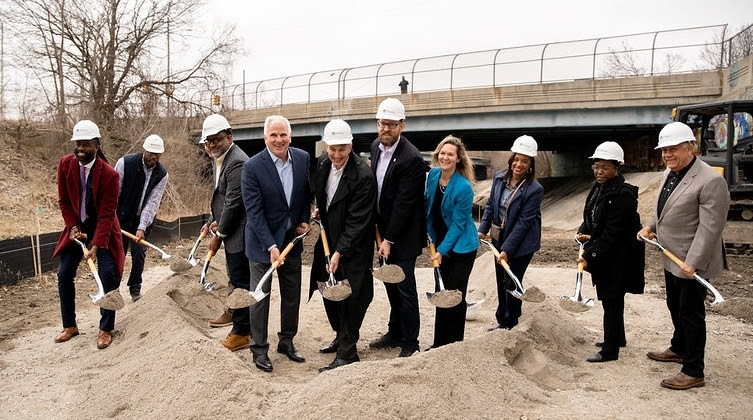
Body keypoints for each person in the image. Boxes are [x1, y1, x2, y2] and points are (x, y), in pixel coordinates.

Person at [639, 122, 730, 390]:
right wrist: (651, 226)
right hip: (671, 256)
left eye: (673, 149)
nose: (667, 155)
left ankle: (693, 369)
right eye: (664, 150)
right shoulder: (672, 172)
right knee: (674, 305)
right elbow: (664, 208)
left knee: (691, 314)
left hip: (691, 261)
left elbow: (710, 228)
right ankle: (679, 347)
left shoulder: (711, 180)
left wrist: (695, 262)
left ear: (690, 148)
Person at [241, 115, 311, 372]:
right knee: (260, 298)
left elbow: (304, 195)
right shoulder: (252, 167)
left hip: (291, 241)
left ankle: (287, 341)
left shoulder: (302, 159)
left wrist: (303, 219)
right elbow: (254, 213)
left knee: (292, 295)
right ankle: (259, 349)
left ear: (290, 137)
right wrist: (271, 246)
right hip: (262, 245)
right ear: (265, 138)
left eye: (283, 135)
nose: (279, 140)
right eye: (273, 135)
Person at [309, 119, 377, 372]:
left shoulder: (363, 176)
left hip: (353, 247)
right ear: (326, 146)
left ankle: (348, 352)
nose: (337, 155)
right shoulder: (324, 163)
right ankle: (340, 336)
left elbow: (359, 222)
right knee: (327, 289)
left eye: (342, 149)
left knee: (351, 297)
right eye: (332, 149)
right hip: (328, 239)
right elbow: (325, 196)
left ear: (350, 146)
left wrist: (339, 252)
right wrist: (321, 211)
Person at [52, 120, 124, 349]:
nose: (81, 148)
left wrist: (96, 246)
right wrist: (72, 226)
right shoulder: (65, 164)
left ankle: (105, 328)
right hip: (76, 227)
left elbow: (106, 215)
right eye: (78, 143)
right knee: (64, 274)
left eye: (86, 143)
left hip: (101, 229)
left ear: (96, 144)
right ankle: (70, 326)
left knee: (108, 274)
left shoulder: (110, 175)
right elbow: (64, 200)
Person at [576, 141, 645, 363]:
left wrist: (588, 256)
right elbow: (592, 217)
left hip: (620, 256)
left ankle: (610, 350)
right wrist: (583, 231)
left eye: (605, 167)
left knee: (612, 299)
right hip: (608, 253)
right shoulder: (599, 187)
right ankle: (618, 337)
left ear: (617, 167)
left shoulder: (623, 195)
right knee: (612, 299)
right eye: (596, 166)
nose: (599, 171)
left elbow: (612, 234)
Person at [369, 97, 426, 358]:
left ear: (402, 125)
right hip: (383, 233)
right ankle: (394, 332)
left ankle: (410, 342)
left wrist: (389, 239)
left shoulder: (411, 158)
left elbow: (405, 204)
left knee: (404, 287)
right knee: (390, 285)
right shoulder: (375, 148)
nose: (385, 129)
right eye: (382, 124)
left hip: (402, 236)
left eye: (391, 124)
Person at [477, 135, 543, 331]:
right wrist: (482, 230)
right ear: (511, 158)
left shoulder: (534, 189)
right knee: (500, 279)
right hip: (500, 236)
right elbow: (490, 206)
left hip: (522, 243)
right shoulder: (499, 178)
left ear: (531, 164)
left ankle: (511, 321)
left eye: (524, 161)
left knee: (512, 279)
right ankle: (501, 320)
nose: (519, 164)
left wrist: (507, 250)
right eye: (516, 159)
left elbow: (523, 223)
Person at [200, 114, 251, 352]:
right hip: (230, 229)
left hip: (240, 232)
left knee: (241, 282)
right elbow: (221, 196)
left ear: (229, 137)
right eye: (208, 141)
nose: (212, 145)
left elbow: (234, 203)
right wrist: (211, 220)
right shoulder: (220, 158)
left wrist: (218, 235)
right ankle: (234, 313)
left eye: (217, 139)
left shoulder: (237, 162)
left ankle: (242, 332)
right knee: (235, 275)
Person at [424, 135, 478, 348]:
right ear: (438, 155)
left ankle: (454, 345)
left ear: (458, 159)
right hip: (439, 244)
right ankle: (439, 344)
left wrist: (442, 251)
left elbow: (457, 225)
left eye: (450, 154)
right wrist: (430, 239)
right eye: (442, 153)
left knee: (454, 295)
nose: (445, 157)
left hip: (462, 248)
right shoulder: (433, 176)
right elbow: (428, 209)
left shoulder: (463, 187)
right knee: (440, 292)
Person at [115, 134, 168, 302]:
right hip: (121, 216)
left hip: (141, 220)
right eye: (151, 152)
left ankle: (135, 289)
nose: (153, 157)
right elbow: (115, 192)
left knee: (139, 253)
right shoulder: (125, 163)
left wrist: (142, 227)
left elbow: (153, 202)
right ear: (144, 150)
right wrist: (111, 217)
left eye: (157, 154)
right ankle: (113, 289)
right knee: (118, 254)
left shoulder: (162, 174)